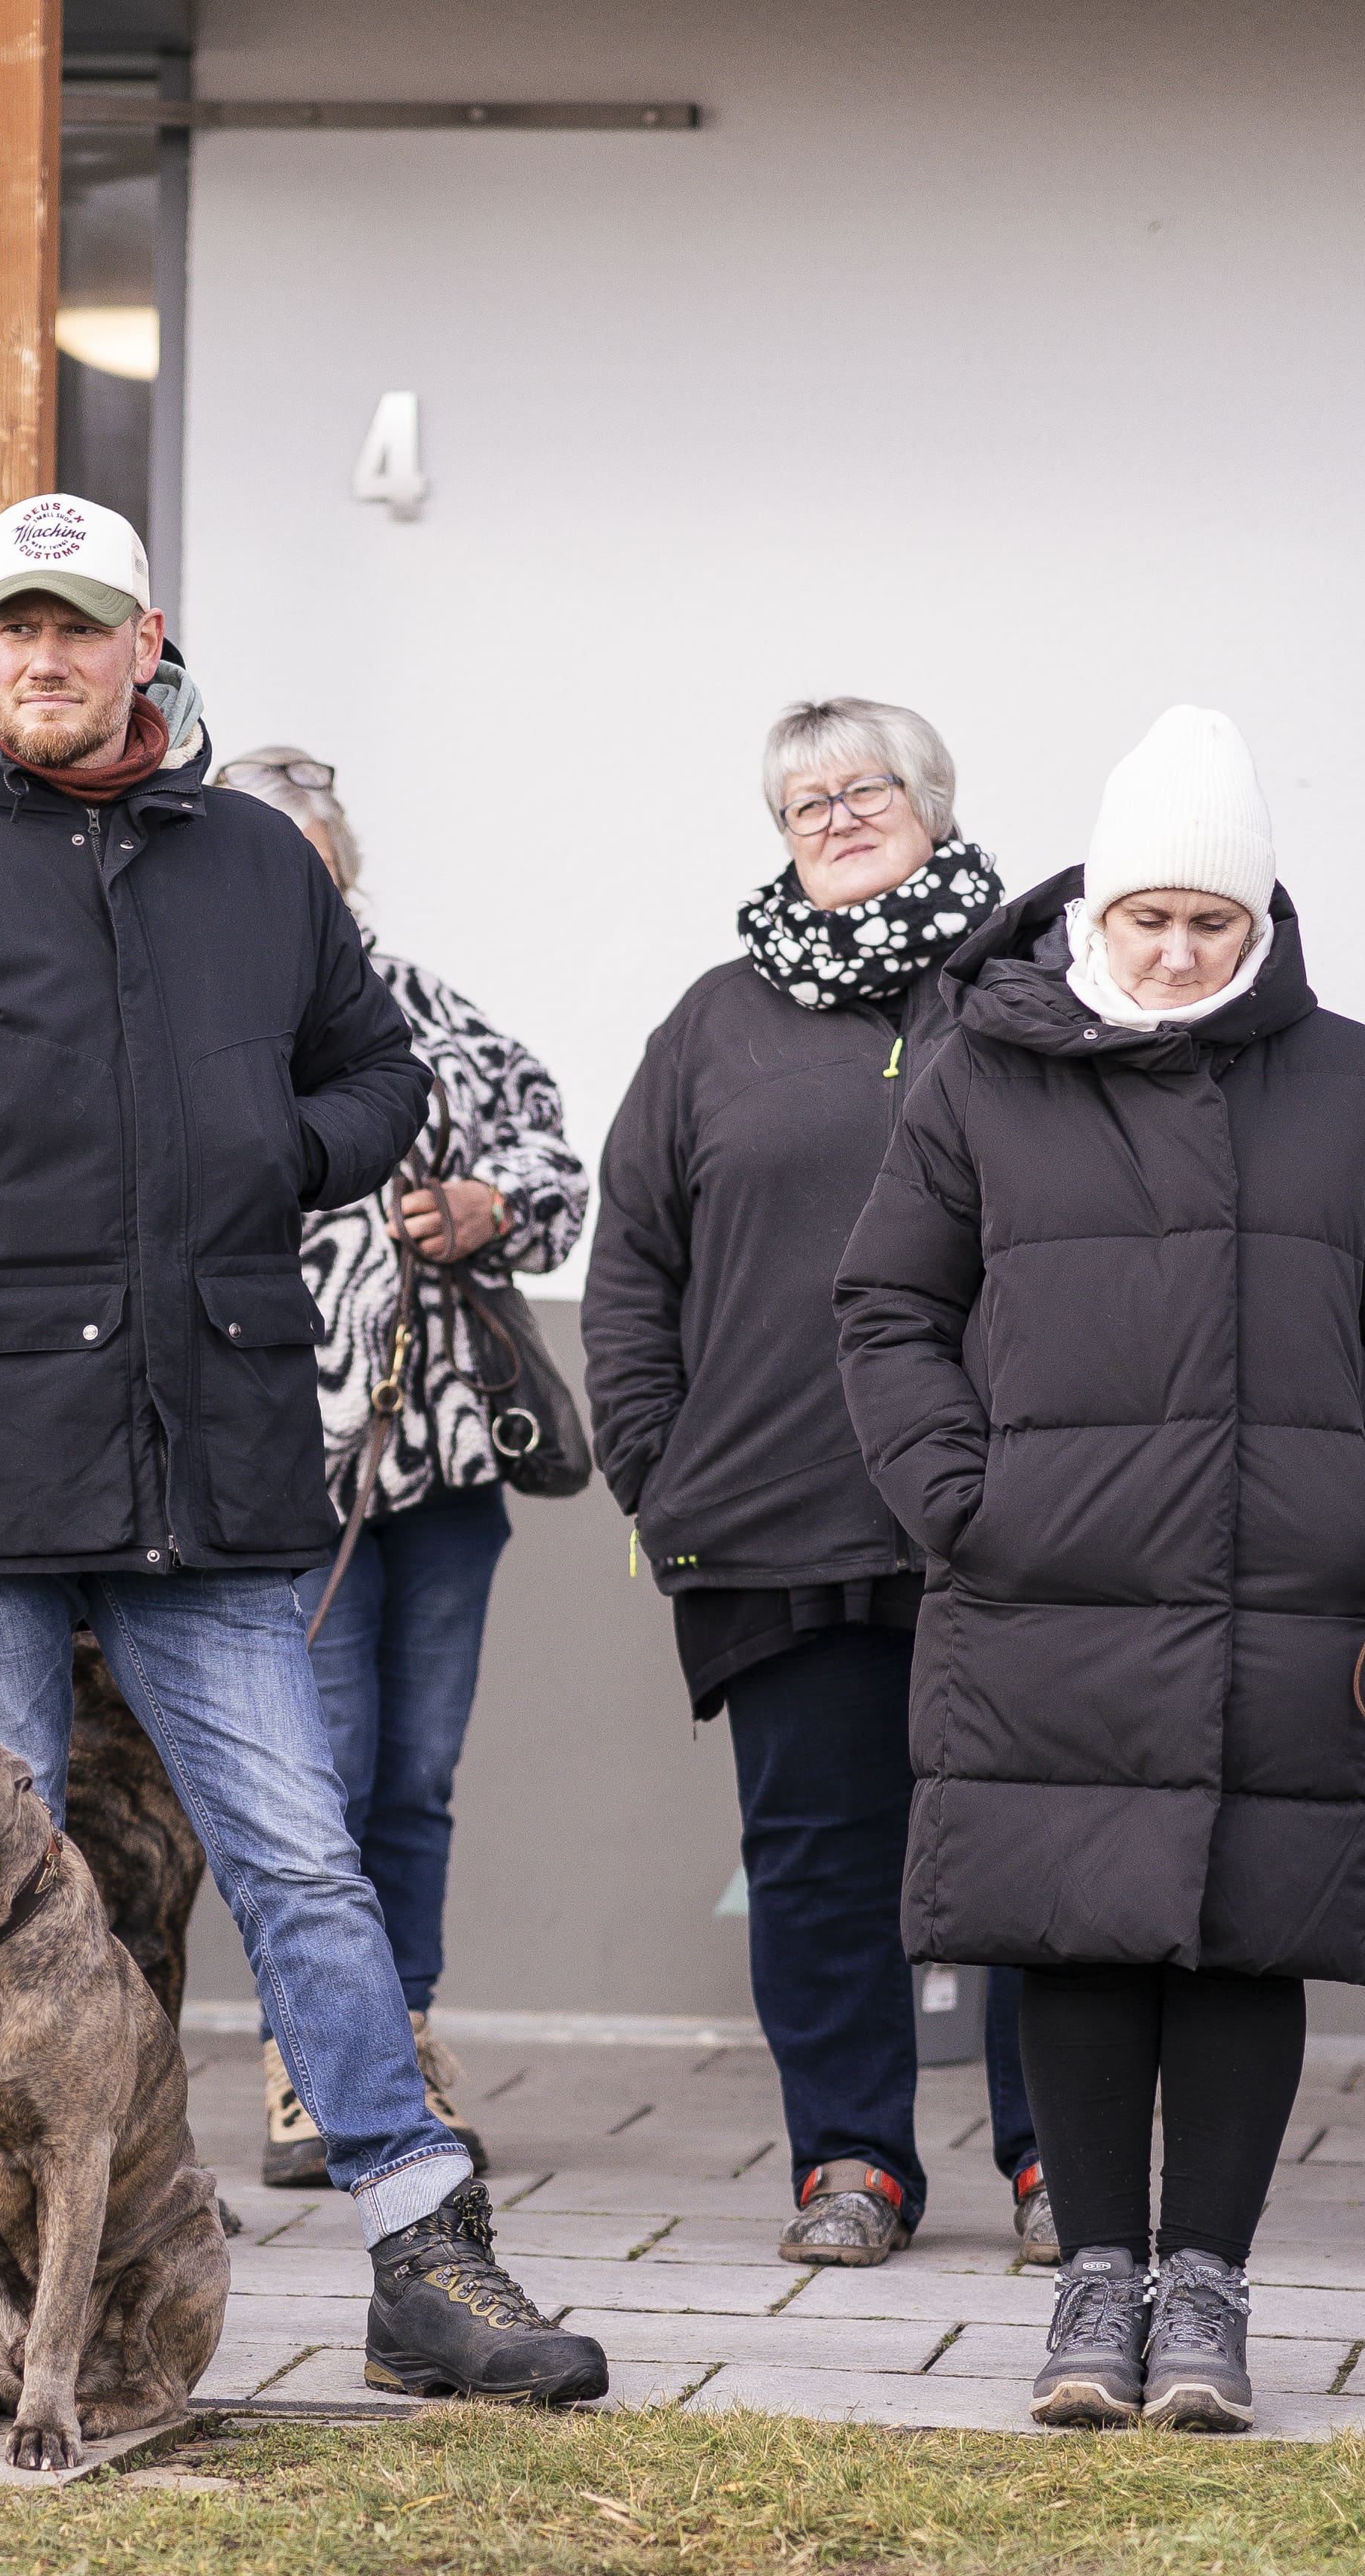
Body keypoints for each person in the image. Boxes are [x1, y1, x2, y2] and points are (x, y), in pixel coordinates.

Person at [0, 493, 605, 2404]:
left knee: (304, 1859)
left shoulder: (256, 870)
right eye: (13, 630)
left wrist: (277, 1152)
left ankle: (421, 2252)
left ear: (151, 643)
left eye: (83, 628)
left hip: (214, 1470)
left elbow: (381, 1077)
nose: (46, 661)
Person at [836, 705, 1365, 2431]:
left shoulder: (1343, 1078)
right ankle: (1090, 2289)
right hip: (1044, 1577)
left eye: (1215, 919)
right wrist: (959, 1498)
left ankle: (1205, 2293)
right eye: (1151, 917)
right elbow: (889, 1307)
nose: (1182, 948)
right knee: (1076, 1932)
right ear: (1094, 913)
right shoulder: (984, 1069)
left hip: (1288, 1582)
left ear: (1258, 922)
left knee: (1241, 1934)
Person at [588, 696, 1054, 2272]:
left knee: (1021, 1848)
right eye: (804, 802)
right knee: (814, 1859)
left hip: (999, 1509)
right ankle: (850, 2162)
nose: (838, 816)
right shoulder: (713, 1022)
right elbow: (632, 1255)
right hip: (772, 1512)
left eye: (867, 790)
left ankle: (1054, 2163)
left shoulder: (1020, 991)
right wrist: (653, 1462)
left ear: (933, 803)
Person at [214, 745, 589, 2190]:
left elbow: (556, 1162)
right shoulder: (187, 1011)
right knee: (315, 1779)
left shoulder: (424, 1005)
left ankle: (404, 2034)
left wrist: (489, 1202)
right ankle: (309, 2064)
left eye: (302, 853)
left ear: (340, 866)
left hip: (440, 1465)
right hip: (270, 1473)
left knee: (414, 1777)